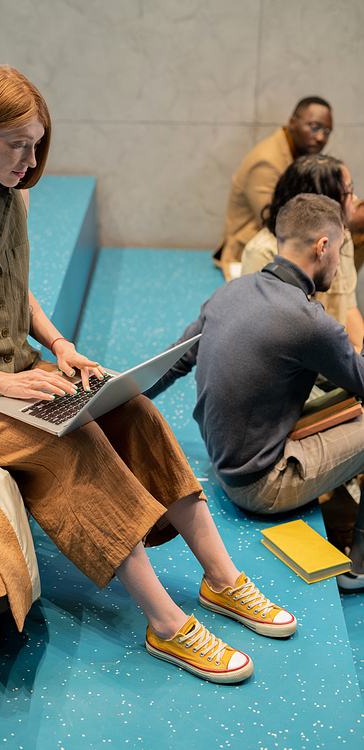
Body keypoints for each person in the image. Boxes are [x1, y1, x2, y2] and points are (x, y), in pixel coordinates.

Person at [0, 63, 296, 685]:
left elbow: (13, 294)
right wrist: (4, 383)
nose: (30, 159)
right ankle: (164, 624)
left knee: (135, 412)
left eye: (37, 143)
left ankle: (223, 580)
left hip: (23, 373)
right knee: (74, 447)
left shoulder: (10, 199)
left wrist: (59, 345)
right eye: (17, 144)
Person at [146, 194, 364, 592]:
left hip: (221, 461)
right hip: (262, 485)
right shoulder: (309, 321)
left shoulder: (232, 290)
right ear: (323, 246)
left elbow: (172, 363)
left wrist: (112, 405)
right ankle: (359, 568)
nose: (340, 263)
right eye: (341, 251)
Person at [241, 154, 364, 352]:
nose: (355, 198)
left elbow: (349, 308)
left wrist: (357, 361)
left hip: (333, 364)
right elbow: (259, 339)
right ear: (323, 204)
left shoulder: (343, 239)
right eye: (348, 191)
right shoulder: (263, 253)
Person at [214, 96, 332, 281]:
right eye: (314, 126)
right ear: (292, 122)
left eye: (327, 131)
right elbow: (278, 222)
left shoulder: (300, 156)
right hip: (251, 252)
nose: (320, 137)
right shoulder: (267, 161)